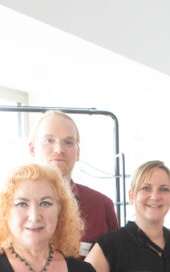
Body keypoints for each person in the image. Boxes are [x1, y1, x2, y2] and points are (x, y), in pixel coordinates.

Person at [29, 109, 118, 256]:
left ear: (78, 153)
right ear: (32, 149)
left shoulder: (101, 207)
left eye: (68, 142)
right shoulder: (10, 205)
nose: (59, 149)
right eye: (49, 140)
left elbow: (116, 267)